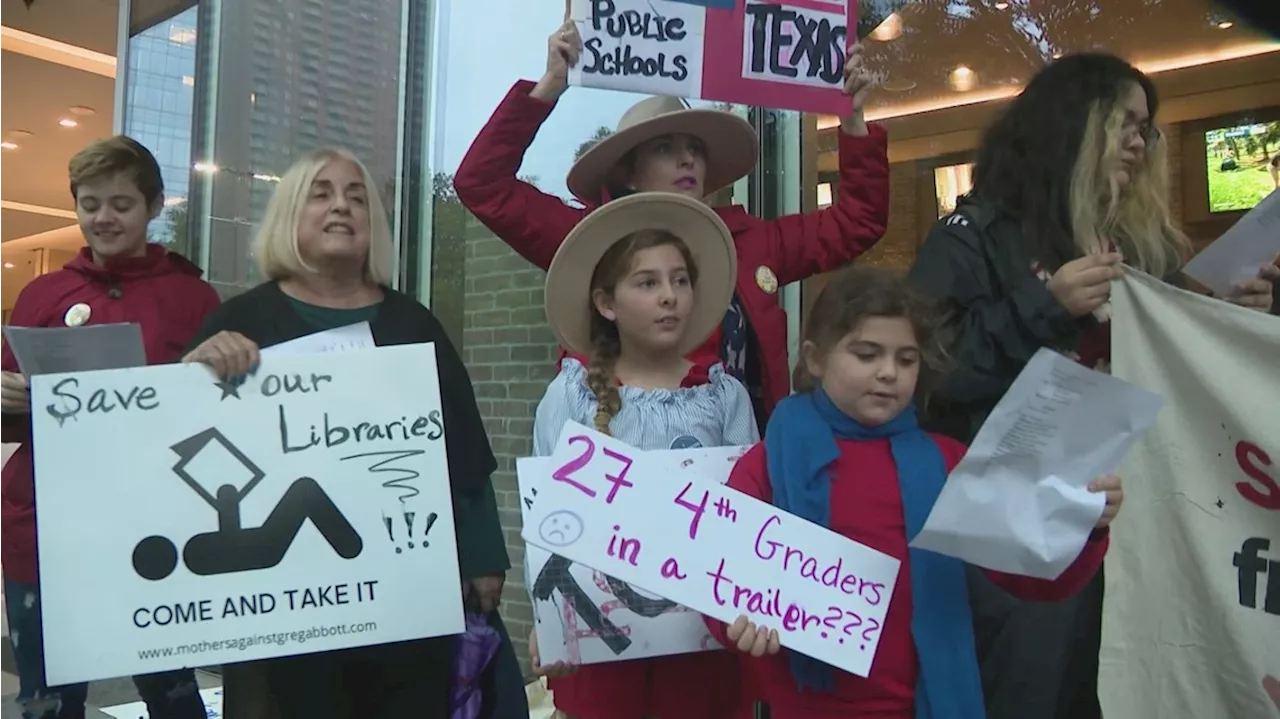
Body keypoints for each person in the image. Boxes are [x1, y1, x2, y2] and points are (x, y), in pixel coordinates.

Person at [906, 53, 1278, 719]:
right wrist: (1046, 304)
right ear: (1073, 126)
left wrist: (1228, 315)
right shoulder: (972, 237)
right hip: (1020, 530)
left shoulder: (1142, 244)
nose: (1141, 142)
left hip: (1145, 520)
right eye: (1125, 124)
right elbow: (929, 371)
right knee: (1033, 694)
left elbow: (1173, 362)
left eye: (1148, 129)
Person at [705, 266, 1124, 719]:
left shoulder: (948, 463)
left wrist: (1083, 523)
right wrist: (737, 623)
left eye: (906, 360)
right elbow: (716, 577)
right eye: (867, 354)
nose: (889, 373)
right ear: (816, 358)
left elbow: (1028, 573)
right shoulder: (767, 463)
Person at [180, 147, 507, 719]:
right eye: (322, 194)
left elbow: (464, 451)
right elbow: (183, 446)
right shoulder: (239, 323)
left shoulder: (413, 323)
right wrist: (196, 373)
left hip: (405, 603)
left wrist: (483, 558)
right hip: (279, 615)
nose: (342, 207)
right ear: (289, 215)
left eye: (357, 196)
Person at [454, 21, 887, 428]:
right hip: (621, 460)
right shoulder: (593, 241)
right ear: (628, 173)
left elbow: (858, 221)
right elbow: (481, 184)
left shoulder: (754, 242)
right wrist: (549, 86)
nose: (687, 159)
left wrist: (852, 121)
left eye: (695, 149)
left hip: (741, 472)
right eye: (665, 147)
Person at [0, 136, 216, 719]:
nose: (103, 217)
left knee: (174, 698)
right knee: (45, 703)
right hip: (45, 529)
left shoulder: (194, 298)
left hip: (157, 527)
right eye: (90, 203)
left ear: (153, 207)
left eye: (121, 203)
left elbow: (220, 416)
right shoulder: (42, 294)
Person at [528, 192, 760, 719]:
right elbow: (545, 520)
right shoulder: (569, 397)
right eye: (648, 282)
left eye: (680, 280)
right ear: (606, 303)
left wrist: (755, 605)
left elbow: (750, 520)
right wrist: (548, 621)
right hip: (602, 649)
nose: (669, 296)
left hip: (702, 651)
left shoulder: (724, 397)